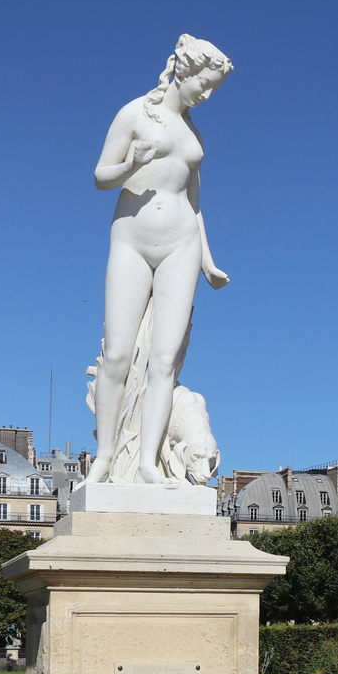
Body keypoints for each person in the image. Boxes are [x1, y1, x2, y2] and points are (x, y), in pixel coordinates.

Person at [85, 35, 233, 484]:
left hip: (182, 244)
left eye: (213, 90)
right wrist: (132, 165)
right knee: (118, 357)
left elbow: (195, 202)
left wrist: (208, 261)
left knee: (165, 361)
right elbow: (99, 176)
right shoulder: (134, 114)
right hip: (132, 241)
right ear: (184, 71)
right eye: (203, 85)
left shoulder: (194, 133)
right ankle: (107, 457)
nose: (206, 95)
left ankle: (148, 462)